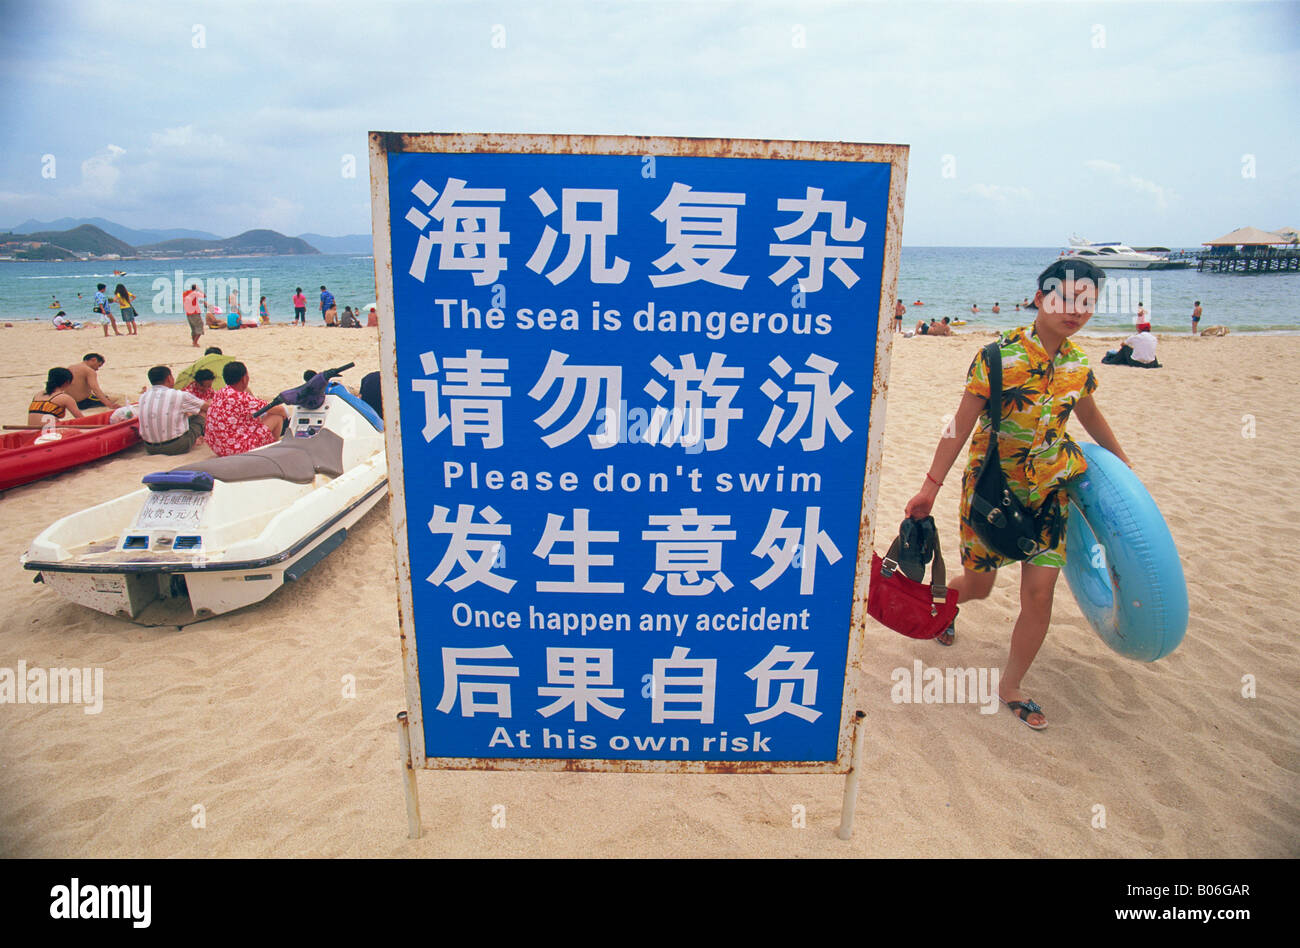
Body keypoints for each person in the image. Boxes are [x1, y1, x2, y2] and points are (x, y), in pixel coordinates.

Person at [904, 259, 1132, 731]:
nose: (1076, 311)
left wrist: (1125, 469)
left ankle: (1011, 686)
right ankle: (944, 607)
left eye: (1087, 303)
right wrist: (931, 484)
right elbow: (960, 425)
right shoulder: (997, 356)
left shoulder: (1077, 364)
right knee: (981, 588)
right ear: (1041, 296)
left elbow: (1089, 416)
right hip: (992, 493)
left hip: (1050, 494)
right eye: (1067, 299)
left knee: (1039, 596)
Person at [204, 361, 289, 457]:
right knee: (276, 416)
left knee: (260, 416)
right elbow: (280, 410)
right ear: (244, 379)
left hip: (217, 446)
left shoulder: (220, 392)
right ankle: (271, 451)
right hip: (234, 449)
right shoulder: (242, 398)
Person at [138, 365, 207, 455]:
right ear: (169, 378)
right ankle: (200, 438)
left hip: (150, 448)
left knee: (185, 417)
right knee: (201, 415)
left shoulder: (143, 396)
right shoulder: (179, 395)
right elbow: (207, 407)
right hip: (176, 446)